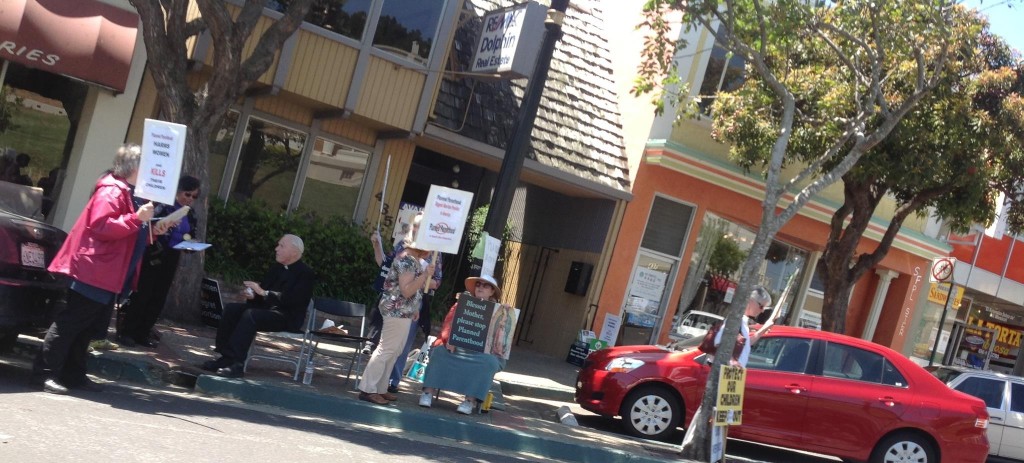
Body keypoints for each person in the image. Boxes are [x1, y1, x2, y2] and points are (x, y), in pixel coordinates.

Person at [32, 143, 156, 395]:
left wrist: (151, 228)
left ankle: (73, 374)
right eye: (148, 165)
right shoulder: (112, 190)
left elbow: (126, 231)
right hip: (94, 269)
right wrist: (136, 219)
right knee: (71, 324)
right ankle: (45, 373)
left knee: (86, 327)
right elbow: (101, 226)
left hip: (104, 271)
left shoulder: (126, 191)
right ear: (134, 167)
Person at [201, 234, 315, 378]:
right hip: (267, 311)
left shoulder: (306, 274)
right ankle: (225, 357)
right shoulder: (277, 268)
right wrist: (253, 296)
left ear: (294, 251)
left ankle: (237, 363)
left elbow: (292, 300)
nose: (276, 249)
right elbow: (262, 294)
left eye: (281, 246)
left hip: (287, 316)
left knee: (251, 315)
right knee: (232, 309)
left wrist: (263, 292)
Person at [117, 175, 200, 348]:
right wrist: (165, 227)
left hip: (172, 255)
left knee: (159, 296)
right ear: (177, 192)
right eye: (187, 194)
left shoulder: (190, 213)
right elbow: (149, 227)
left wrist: (191, 243)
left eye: (194, 196)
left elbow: (191, 233)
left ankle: (143, 332)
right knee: (143, 293)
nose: (190, 199)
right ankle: (128, 331)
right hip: (154, 253)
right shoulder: (163, 206)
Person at [358, 234, 435, 405]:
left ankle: (380, 388)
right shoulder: (407, 260)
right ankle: (368, 388)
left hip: (401, 310)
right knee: (387, 349)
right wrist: (424, 276)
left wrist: (414, 308)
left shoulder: (409, 258)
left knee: (394, 350)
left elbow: (406, 292)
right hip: (396, 310)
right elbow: (406, 290)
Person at [419, 274, 510, 415]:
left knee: (489, 363)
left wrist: (505, 315)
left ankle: (469, 401)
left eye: (485, 285)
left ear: (492, 291)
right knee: (439, 352)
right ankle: (427, 392)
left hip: (480, 353)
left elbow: (501, 338)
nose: (480, 287)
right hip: (457, 347)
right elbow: (448, 323)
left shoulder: (498, 311)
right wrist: (448, 338)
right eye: (478, 284)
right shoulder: (462, 303)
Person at [709, 285, 772, 367]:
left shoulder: (743, 322)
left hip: (730, 376)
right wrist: (732, 362)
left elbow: (743, 345)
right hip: (723, 374)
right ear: (751, 301)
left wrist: (762, 330)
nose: (763, 310)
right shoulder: (736, 320)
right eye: (761, 306)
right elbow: (718, 342)